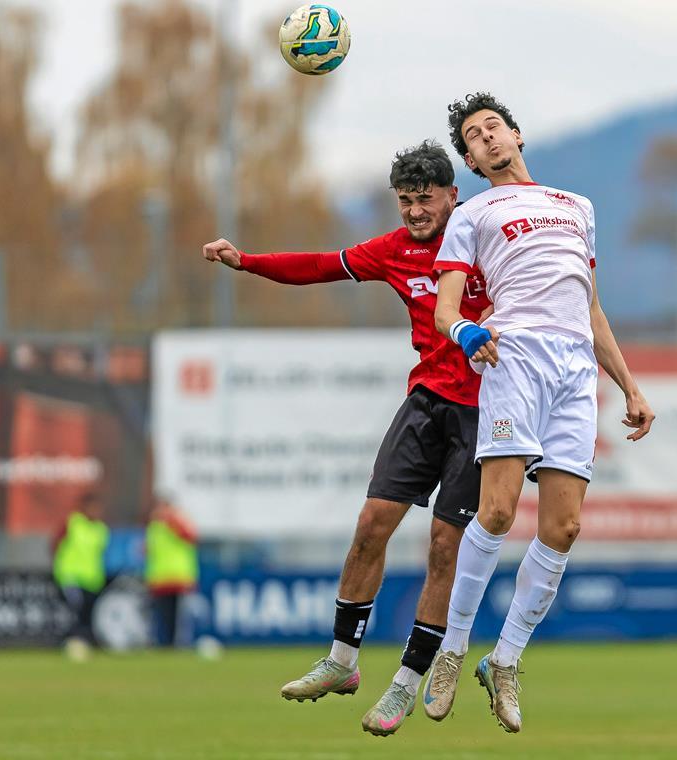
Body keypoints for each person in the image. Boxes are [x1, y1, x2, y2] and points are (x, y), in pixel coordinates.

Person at [202, 140, 491, 736]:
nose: (414, 212)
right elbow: (318, 266)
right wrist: (246, 261)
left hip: (485, 414)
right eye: (405, 201)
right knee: (369, 528)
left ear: (452, 196)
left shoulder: (483, 237)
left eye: (425, 199)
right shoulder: (392, 251)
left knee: (443, 548)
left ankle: (406, 686)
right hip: (426, 404)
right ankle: (341, 663)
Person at [422, 93, 656, 733]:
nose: (487, 139)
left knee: (564, 527)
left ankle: (505, 661)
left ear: (517, 135)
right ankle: (451, 650)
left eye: (493, 127)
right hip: (514, 361)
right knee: (496, 512)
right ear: (470, 159)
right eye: (473, 136)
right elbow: (446, 312)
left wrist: (629, 385)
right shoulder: (473, 215)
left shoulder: (576, 207)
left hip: (576, 372)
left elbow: (590, 306)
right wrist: (467, 334)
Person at [51, 491, 110, 661]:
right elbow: (55, 545)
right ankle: (73, 644)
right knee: (75, 610)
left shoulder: (101, 529)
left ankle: (83, 644)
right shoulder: (72, 523)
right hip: (71, 578)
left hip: (92, 580)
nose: (96, 512)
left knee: (87, 614)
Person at [145, 495, 199, 647]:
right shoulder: (155, 527)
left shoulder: (180, 522)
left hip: (179, 578)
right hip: (160, 580)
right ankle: (163, 646)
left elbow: (191, 537)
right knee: (162, 618)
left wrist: (172, 521)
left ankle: (179, 646)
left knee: (179, 619)